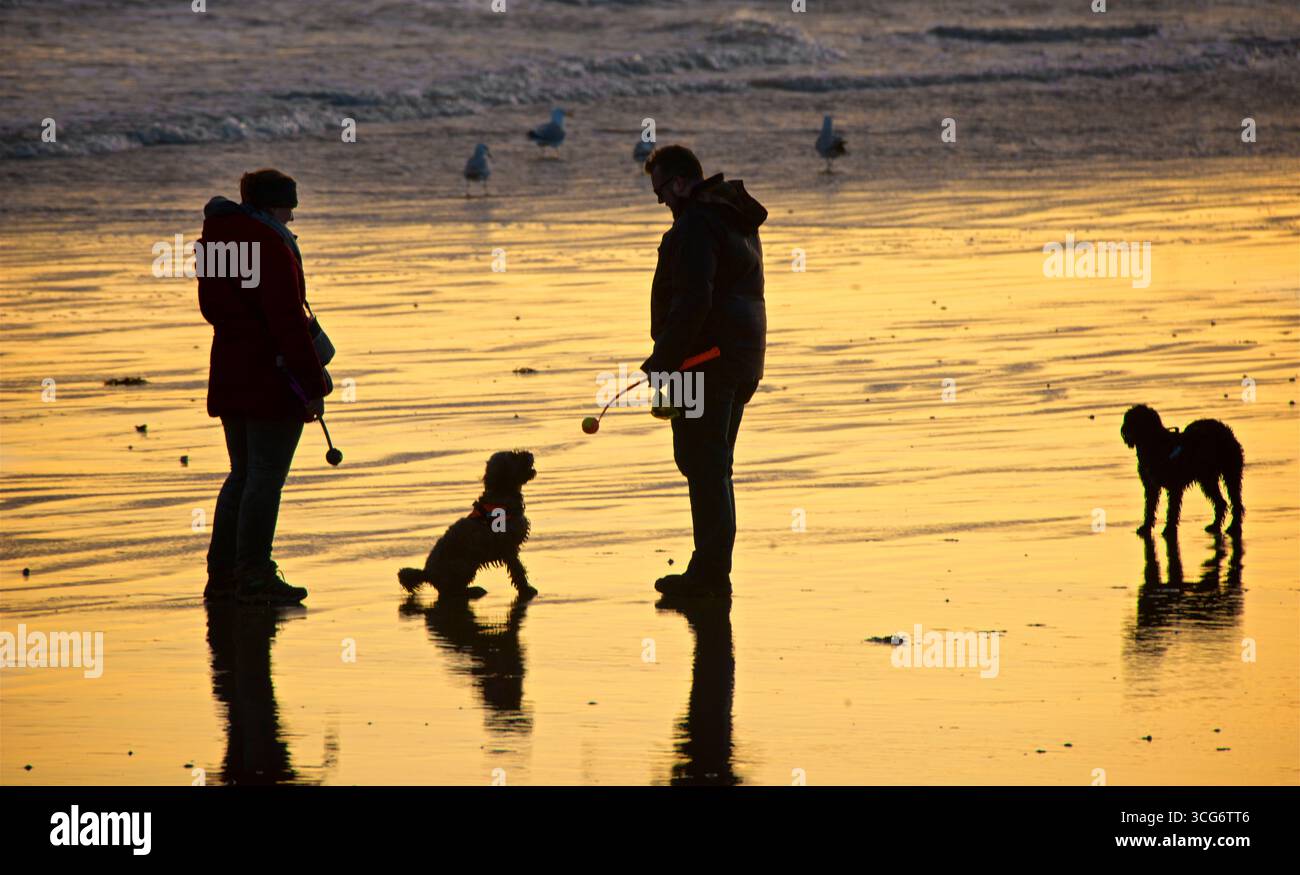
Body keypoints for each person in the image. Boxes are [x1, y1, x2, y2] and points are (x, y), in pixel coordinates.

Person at [198, 169, 330, 605]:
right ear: (273, 205)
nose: (291, 217)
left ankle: (223, 575)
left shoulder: (215, 240)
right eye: (288, 208)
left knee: (242, 474)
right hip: (272, 377)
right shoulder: (270, 245)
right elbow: (287, 322)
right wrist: (314, 384)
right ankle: (254, 573)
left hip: (231, 369)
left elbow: (212, 308)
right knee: (265, 478)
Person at [642, 146, 767, 598]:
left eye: (661, 191)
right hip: (741, 358)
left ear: (679, 182)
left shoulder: (696, 224)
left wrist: (664, 359)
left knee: (704, 465)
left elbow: (694, 301)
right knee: (712, 465)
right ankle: (711, 568)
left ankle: (710, 574)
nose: (660, 202)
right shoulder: (731, 215)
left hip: (706, 363)